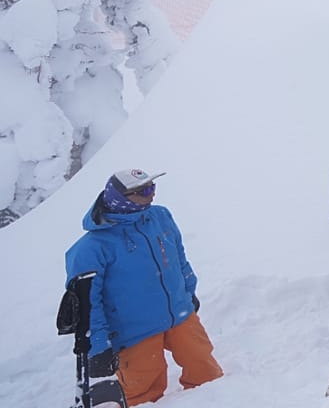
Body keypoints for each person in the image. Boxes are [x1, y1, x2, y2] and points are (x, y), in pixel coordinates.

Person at [64, 169, 223, 406]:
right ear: (120, 198)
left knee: (206, 372)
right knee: (141, 392)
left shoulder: (160, 217)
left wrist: (189, 291)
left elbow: (178, 257)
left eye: (153, 187)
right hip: (134, 330)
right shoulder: (91, 248)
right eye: (144, 191)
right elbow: (88, 305)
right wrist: (98, 345)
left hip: (179, 313)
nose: (152, 194)